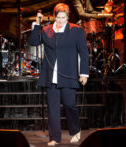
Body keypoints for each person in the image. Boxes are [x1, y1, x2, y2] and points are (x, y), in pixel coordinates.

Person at [30, 3, 89, 146]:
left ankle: (75, 130)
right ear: (54, 16)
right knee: (53, 109)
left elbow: (83, 52)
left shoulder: (76, 30)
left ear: (68, 17)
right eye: (58, 17)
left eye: (64, 17)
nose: (61, 20)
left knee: (70, 105)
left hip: (68, 74)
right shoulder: (46, 29)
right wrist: (37, 24)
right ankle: (54, 138)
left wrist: (84, 73)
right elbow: (34, 42)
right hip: (51, 75)